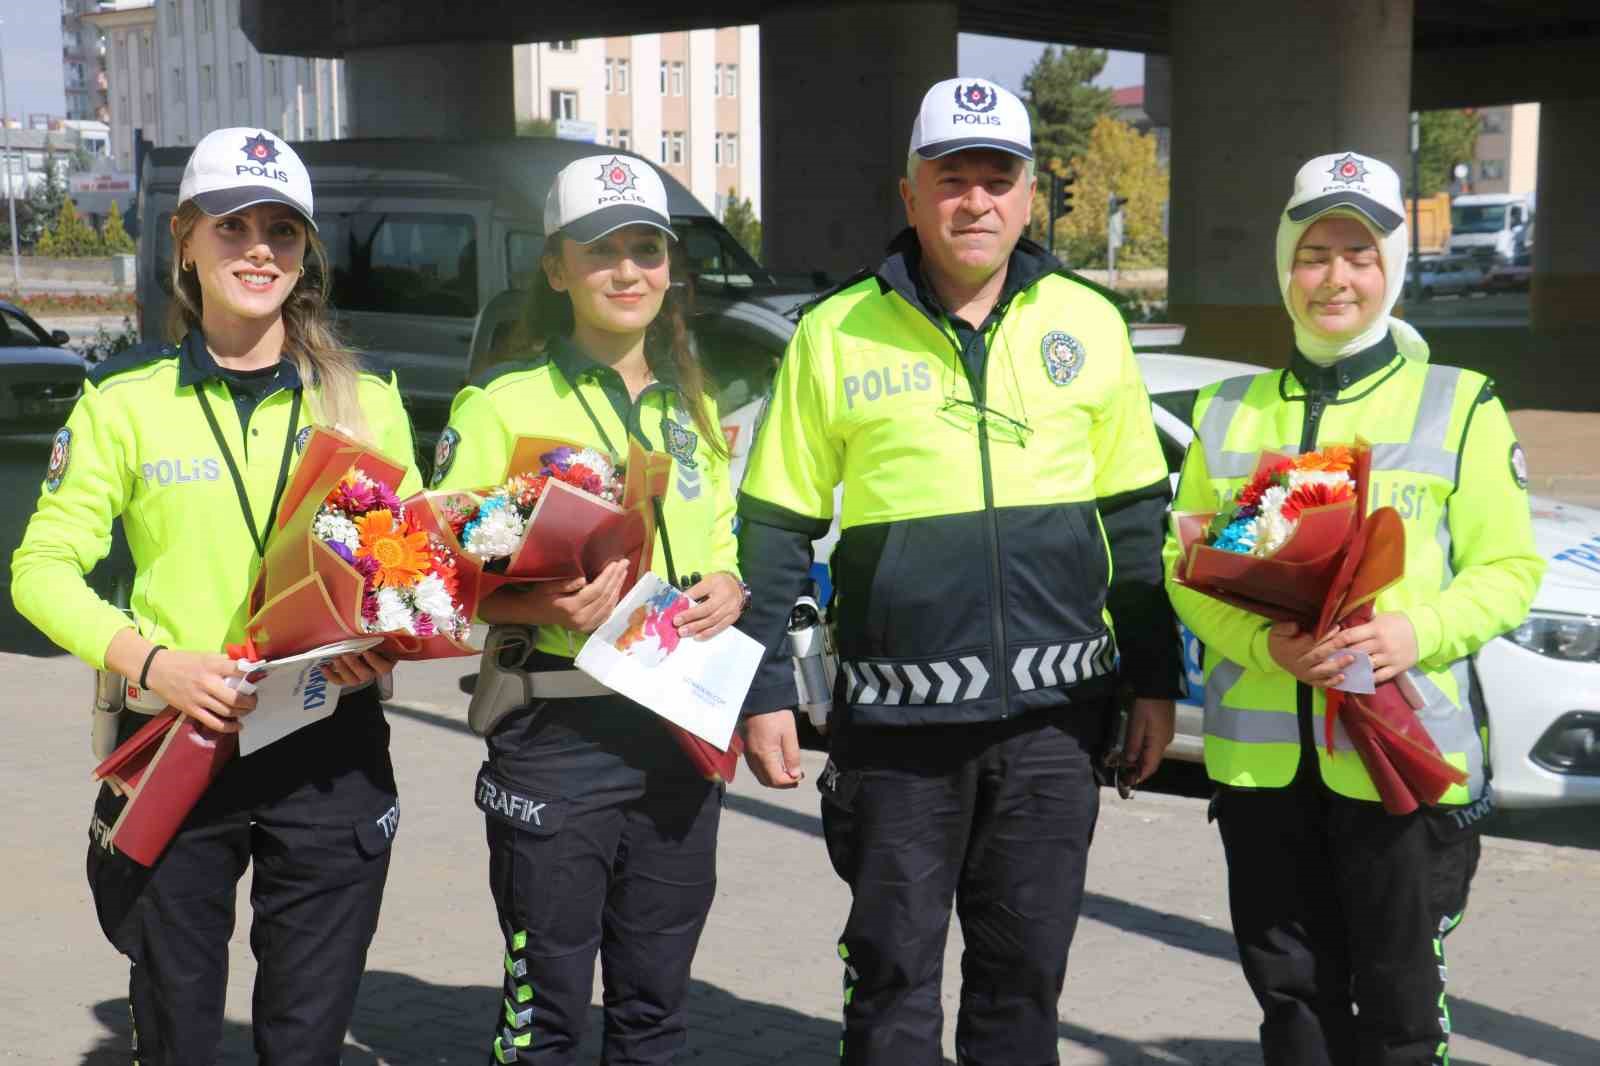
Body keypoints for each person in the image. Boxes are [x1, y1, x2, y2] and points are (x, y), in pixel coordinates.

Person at [733, 78, 1184, 1064]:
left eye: (996, 179)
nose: (973, 200)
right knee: (890, 979)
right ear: (909, 195)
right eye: (951, 179)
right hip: (897, 736)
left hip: (1054, 728)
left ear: (1029, 198)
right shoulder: (833, 332)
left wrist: (1156, 680)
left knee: (1024, 982)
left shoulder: (1090, 322)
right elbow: (772, 528)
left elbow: (1136, 524)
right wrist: (761, 688)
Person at [11, 128, 422, 1063]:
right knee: (179, 1035)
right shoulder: (124, 400)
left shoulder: (366, 402)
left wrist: (383, 640)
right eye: (232, 226)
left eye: (282, 229)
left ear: (305, 252)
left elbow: (406, 579)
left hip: (329, 748)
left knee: (306, 1041)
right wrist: (153, 661)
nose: (258, 249)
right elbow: (39, 570)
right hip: (176, 747)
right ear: (185, 243)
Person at [1162, 151, 1545, 1066]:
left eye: (1360, 255)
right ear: (1286, 266)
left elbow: (1509, 569)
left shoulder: (1457, 406)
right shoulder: (1230, 413)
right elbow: (1187, 574)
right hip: (1264, 777)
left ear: (1392, 271)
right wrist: (1269, 648)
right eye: (1315, 252)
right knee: (1293, 1007)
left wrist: (1417, 631)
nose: (1336, 277)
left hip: (1397, 767)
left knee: (1402, 1016)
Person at [431, 154, 746, 1066]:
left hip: (680, 733)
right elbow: (442, 574)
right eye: (601, 251)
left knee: (656, 1010)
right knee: (548, 1019)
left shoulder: (692, 409)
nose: (627, 271)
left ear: (669, 267)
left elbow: (718, 540)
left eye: (646, 250)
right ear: (556, 267)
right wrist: (539, 594)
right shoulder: (498, 405)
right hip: (557, 736)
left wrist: (729, 585)